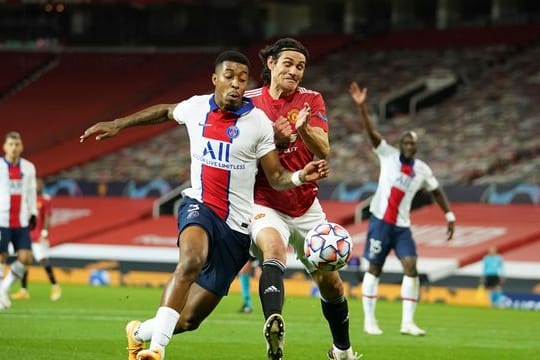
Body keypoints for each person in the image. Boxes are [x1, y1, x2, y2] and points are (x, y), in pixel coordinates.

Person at [79, 50, 329, 360]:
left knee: (189, 320)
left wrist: (299, 176)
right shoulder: (196, 108)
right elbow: (165, 111)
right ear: (215, 79)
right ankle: (156, 351)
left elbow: (276, 177)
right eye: (229, 77)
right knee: (191, 261)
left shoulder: (259, 124)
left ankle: (139, 332)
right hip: (200, 207)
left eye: (241, 79)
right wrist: (119, 123)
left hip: (237, 228)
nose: (236, 84)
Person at [244, 38, 360, 360]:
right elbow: (240, 158)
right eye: (288, 64)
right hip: (265, 200)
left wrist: (305, 128)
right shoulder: (249, 103)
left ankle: (342, 350)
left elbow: (324, 148)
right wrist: (275, 141)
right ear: (271, 64)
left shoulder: (311, 99)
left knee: (332, 284)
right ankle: (273, 322)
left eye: (300, 67)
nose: (295, 71)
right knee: (273, 249)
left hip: (306, 205)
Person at [348, 82, 455, 336]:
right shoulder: (387, 155)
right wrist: (362, 107)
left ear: (415, 147)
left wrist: (449, 215)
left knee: (412, 267)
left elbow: (436, 190)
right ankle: (369, 321)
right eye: (405, 141)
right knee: (374, 269)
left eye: (412, 143)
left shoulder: (422, 169)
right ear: (400, 143)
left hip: (402, 227)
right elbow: (371, 133)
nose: (408, 145)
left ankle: (408, 323)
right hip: (380, 223)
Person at [0, 131, 38, 310]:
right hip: (2, 218)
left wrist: (34, 213)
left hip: (21, 219)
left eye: (17, 144)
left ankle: (4, 288)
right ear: (5, 147)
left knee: (26, 257)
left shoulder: (29, 167)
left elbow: (31, 191)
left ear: (21, 147)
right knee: (1, 256)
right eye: (11, 144)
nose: (14, 147)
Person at [11, 178, 61, 301]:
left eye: (38, 184)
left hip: (38, 236)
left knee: (43, 260)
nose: (36, 186)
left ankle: (55, 286)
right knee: (23, 261)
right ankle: (24, 290)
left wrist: (44, 232)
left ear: (42, 186)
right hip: (26, 234)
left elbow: (47, 216)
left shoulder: (45, 199)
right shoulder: (28, 199)